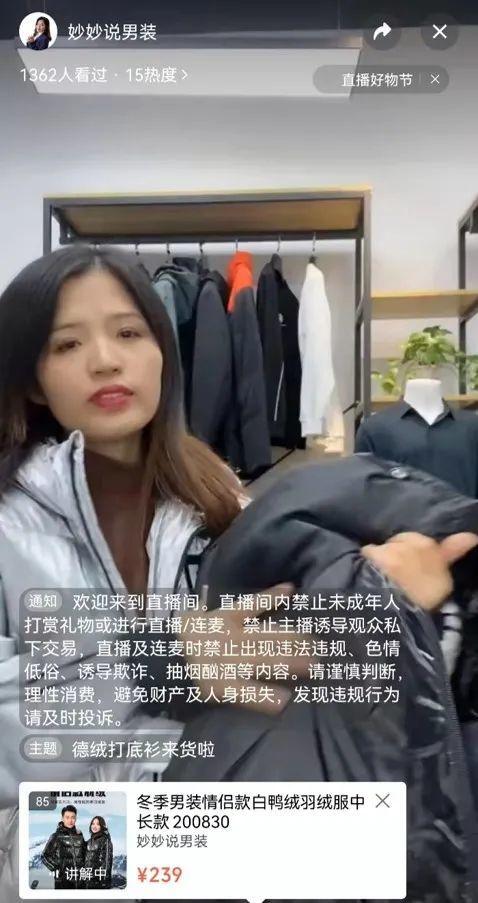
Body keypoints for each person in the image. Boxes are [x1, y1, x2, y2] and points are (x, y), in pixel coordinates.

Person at [0, 246, 476, 903]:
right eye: (67, 344)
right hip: (47, 850)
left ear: (164, 352)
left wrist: (397, 611)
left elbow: (309, 672)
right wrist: (156, 663)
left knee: (386, 838)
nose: (105, 360)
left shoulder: (222, 502)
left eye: (129, 333)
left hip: (212, 818)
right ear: (32, 378)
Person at [41, 804, 85, 890]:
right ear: (62, 818)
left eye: (73, 817)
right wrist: (57, 869)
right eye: (67, 817)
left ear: (76, 818)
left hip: (80, 882)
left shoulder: (79, 835)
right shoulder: (56, 836)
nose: (70, 820)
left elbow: (84, 854)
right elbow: (44, 856)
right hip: (63, 883)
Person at [82, 816, 113, 890]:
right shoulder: (89, 841)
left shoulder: (105, 840)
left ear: (102, 826)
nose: (94, 826)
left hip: (99, 883)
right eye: (93, 824)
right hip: (88, 881)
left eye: (98, 824)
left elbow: (107, 863)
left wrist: (103, 882)